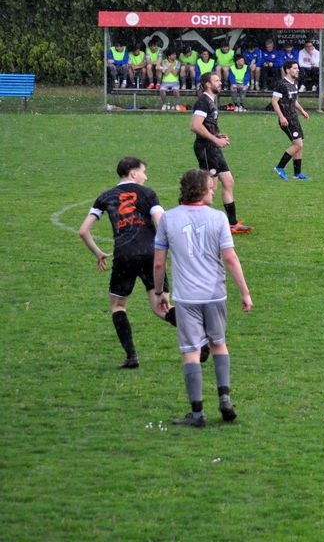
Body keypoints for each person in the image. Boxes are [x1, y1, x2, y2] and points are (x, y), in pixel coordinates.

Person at [153, 169, 252, 427]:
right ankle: (225, 399)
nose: (214, 191)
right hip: (215, 294)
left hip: (186, 298)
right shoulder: (218, 218)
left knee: (191, 351)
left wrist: (159, 292)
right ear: (201, 190)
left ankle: (197, 414)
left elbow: (159, 263)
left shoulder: (168, 218)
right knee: (218, 344)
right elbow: (230, 258)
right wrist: (244, 292)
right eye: (211, 187)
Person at [78, 157, 184, 368]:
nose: (146, 176)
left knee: (118, 305)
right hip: (151, 253)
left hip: (124, 255)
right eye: (144, 171)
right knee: (161, 307)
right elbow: (161, 221)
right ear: (133, 173)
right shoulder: (148, 194)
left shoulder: (105, 197)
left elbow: (83, 230)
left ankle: (131, 357)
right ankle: (200, 336)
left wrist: (98, 253)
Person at [190, 72, 253, 234]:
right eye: (216, 80)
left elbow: (207, 125)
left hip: (213, 147)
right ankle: (196, 222)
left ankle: (232, 223)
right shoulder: (203, 101)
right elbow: (195, 126)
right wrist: (215, 139)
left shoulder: (210, 101)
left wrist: (217, 136)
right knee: (210, 188)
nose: (220, 83)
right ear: (208, 84)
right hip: (205, 148)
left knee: (228, 182)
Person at [271, 60, 311, 180]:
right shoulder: (281, 84)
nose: (297, 70)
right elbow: (274, 101)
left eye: (297, 68)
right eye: (294, 68)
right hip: (286, 120)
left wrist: (302, 111)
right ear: (288, 70)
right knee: (298, 144)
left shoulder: (294, 83)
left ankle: (297, 173)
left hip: (294, 118)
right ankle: (279, 167)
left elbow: (294, 101)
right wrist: (281, 117)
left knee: (300, 144)